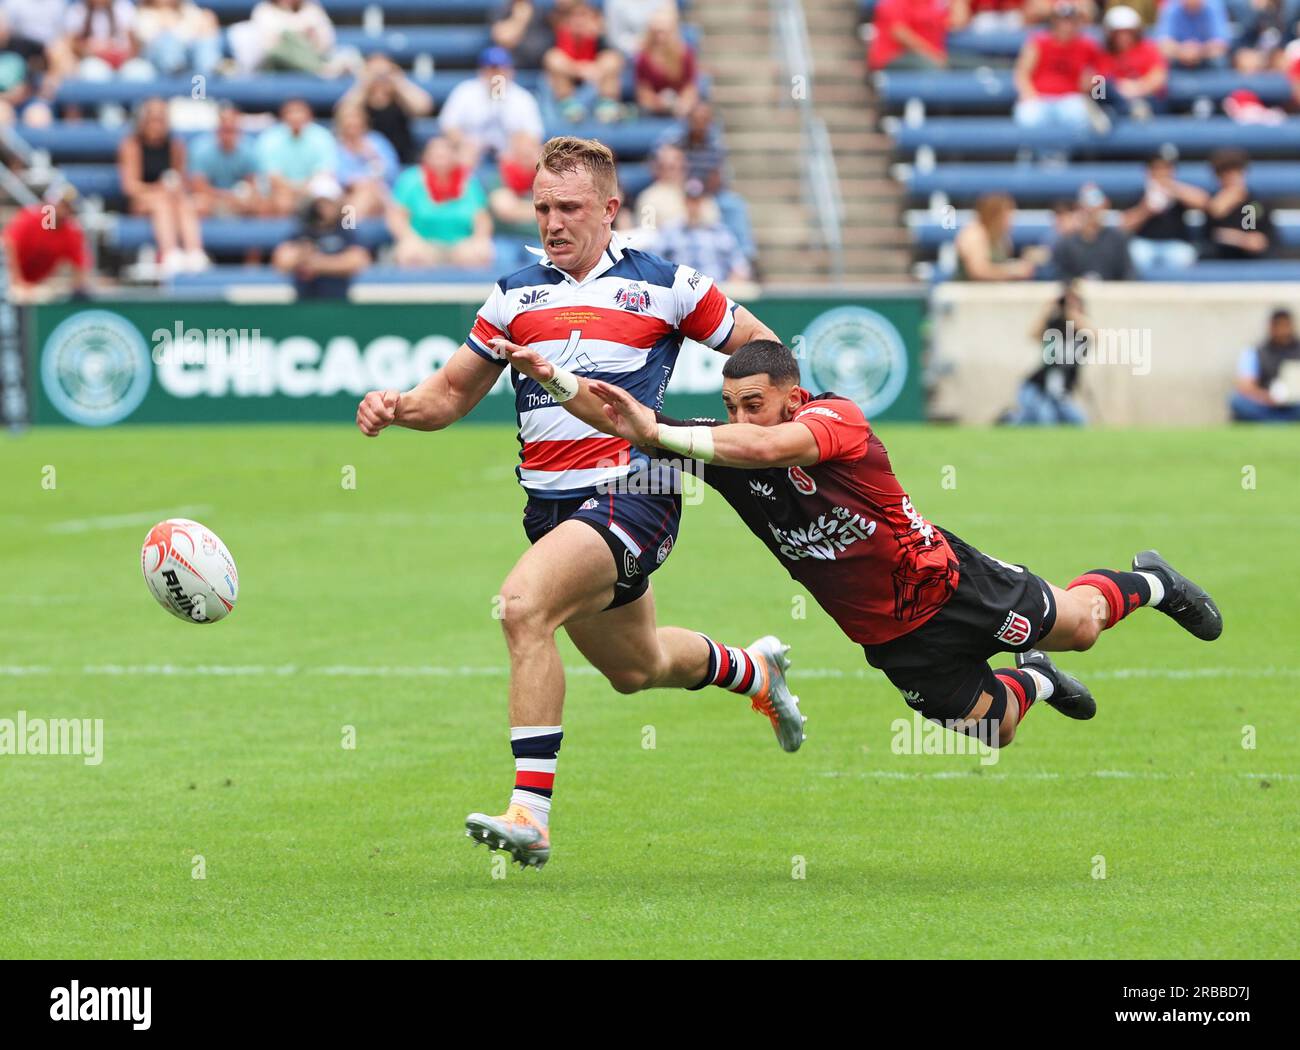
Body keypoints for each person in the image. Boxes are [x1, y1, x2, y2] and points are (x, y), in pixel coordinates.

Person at [355, 136, 789, 869]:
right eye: (541, 207)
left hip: (638, 487)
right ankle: (755, 670)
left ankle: (531, 813)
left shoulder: (667, 285)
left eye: (569, 208)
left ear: (610, 209)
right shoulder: (514, 295)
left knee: (523, 607)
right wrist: (399, 407)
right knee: (637, 667)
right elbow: (450, 395)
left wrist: (745, 433)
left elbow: (764, 350)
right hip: (552, 510)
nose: (552, 221)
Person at [513, 338, 1222, 766]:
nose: (738, 420)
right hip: (891, 641)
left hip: (952, 587)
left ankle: (1152, 583)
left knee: (1085, 629)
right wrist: (556, 381)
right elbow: (624, 418)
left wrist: (663, 433)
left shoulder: (836, 420)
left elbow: (759, 445)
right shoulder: (731, 447)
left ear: (792, 398)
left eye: (752, 404)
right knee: (994, 728)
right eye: (729, 407)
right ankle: (1035, 678)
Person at [118, 97, 207, 275]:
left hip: (171, 198)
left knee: (184, 202)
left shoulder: (175, 145)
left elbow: (181, 179)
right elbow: (130, 187)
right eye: (153, 118)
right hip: (141, 201)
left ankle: (194, 252)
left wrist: (175, 188)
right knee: (162, 202)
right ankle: (170, 252)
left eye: (161, 119)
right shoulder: (131, 145)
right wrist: (160, 188)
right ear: (143, 120)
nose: (157, 124)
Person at [386, 135, 494, 268]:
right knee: (410, 254)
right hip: (423, 243)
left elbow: (482, 219)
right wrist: (410, 239)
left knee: (480, 253)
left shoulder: (469, 181)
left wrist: (479, 240)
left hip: (461, 244)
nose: (441, 158)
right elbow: (396, 217)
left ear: (455, 156)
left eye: (445, 154)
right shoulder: (410, 179)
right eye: (436, 154)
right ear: (425, 156)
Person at [438, 46, 545, 165]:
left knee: (532, 153)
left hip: (510, 155)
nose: (497, 74)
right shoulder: (465, 91)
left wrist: (516, 147)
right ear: (482, 71)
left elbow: (534, 135)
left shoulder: (522, 98)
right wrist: (465, 142)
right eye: (492, 69)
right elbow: (448, 125)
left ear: (510, 71)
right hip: (471, 153)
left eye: (501, 69)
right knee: (451, 152)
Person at [271, 174, 371, 300]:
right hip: (304, 303)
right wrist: (302, 253)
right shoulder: (301, 229)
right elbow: (282, 261)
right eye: (320, 203)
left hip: (338, 301)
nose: (324, 208)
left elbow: (358, 260)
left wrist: (317, 263)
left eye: (328, 203)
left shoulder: (346, 229)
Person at [1004, 283, 1090, 425]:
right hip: (1037, 388)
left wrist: (1073, 314)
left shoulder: (1081, 332)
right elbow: (1033, 335)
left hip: (1060, 395)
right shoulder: (1054, 326)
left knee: (1078, 422)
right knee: (1045, 419)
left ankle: (1015, 418)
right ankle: (1010, 420)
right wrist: (1047, 309)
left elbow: (1094, 334)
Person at [1013, 2, 1104, 131]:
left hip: (1071, 99)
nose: (1066, 25)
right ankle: (1037, 151)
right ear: (1054, 21)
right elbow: (1022, 74)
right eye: (1062, 20)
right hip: (1039, 97)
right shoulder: (1038, 42)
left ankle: (1064, 151)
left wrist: (1094, 88)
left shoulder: (1088, 45)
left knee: (1078, 115)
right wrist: (1029, 94)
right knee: (1029, 116)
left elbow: (1101, 75)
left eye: (1071, 20)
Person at [337, 54, 433, 167]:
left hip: (403, 157)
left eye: (384, 73)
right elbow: (342, 112)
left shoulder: (400, 98)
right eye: (374, 72)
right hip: (367, 160)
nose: (379, 77)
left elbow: (424, 107)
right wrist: (365, 83)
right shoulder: (360, 100)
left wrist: (398, 80)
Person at [653, 178, 751, 282]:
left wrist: (732, 283)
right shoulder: (670, 231)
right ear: (684, 202)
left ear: (704, 202)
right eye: (690, 200)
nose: (694, 206)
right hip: (681, 293)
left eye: (697, 201)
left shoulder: (720, 232)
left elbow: (739, 266)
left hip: (716, 291)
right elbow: (655, 263)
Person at [1121, 152, 1207, 271]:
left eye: (1166, 169)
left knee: (1184, 256)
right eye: (1157, 169)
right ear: (1149, 172)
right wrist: (1146, 209)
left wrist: (1173, 189)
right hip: (1145, 244)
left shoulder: (1179, 194)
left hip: (1174, 244)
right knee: (1136, 255)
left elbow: (1204, 202)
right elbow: (1124, 226)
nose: (1162, 173)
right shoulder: (1140, 194)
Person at [2, 181, 90, 296]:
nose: (64, 210)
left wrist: (79, 289)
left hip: (32, 285)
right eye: (62, 205)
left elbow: (80, 266)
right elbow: (8, 245)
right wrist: (17, 281)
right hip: (7, 278)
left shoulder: (72, 232)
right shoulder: (30, 218)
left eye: (68, 206)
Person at [543, 0, 624, 123]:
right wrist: (578, 69)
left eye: (583, 16)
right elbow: (551, 59)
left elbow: (612, 59)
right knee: (553, 59)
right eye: (575, 17)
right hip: (569, 78)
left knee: (612, 59)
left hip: (594, 75)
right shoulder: (558, 35)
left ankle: (607, 105)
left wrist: (592, 68)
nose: (579, 21)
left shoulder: (597, 37)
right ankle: (569, 107)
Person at [256, 97, 338, 217]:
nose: (295, 116)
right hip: (281, 190)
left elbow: (324, 172)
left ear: (310, 116)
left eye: (299, 112)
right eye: (291, 112)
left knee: (327, 201)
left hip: (314, 189)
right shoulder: (269, 139)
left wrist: (305, 190)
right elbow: (272, 176)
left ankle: (331, 232)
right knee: (281, 202)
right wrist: (294, 191)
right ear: (282, 117)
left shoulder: (323, 137)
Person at [188, 104, 265, 218]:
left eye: (232, 130)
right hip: (212, 200)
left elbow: (253, 184)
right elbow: (198, 187)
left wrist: (242, 197)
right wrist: (227, 197)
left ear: (239, 131)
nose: (228, 136)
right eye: (225, 130)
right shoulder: (201, 149)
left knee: (261, 205)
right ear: (217, 130)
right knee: (198, 204)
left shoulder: (249, 150)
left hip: (239, 202)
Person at [953, 192, 1049, 279]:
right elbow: (978, 271)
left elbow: (1001, 264)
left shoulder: (1002, 237)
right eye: (1007, 216)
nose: (1010, 221)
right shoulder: (974, 233)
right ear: (994, 215)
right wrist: (1013, 271)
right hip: (966, 293)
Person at [1201, 147, 1274, 260]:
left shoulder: (1257, 202)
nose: (1231, 179)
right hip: (1220, 259)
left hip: (1253, 259)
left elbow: (1263, 240)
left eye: (1235, 172)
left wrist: (1244, 240)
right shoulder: (1211, 202)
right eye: (1225, 174)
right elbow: (1213, 236)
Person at [1096, 4, 1168, 119]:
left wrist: (1137, 88)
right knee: (1100, 90)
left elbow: (1158, 77)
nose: (1123, 37)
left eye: (1128, 32)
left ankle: (1135, 110)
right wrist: (1120, 88)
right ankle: (1126, 110)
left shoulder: (1148, 48)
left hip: (1145, 98)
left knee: (1158, 98)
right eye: (1118, 33)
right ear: (1110, 34)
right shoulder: (1103, 53)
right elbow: (1099, 83)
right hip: (1115, 99)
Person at [1229, 308, 1300, 422]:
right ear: (1271, 327)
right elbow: (1245, 386)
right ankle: (1280, 422)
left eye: (1285, 326)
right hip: (1266, 402)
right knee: (1237, 401)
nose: (1282, 331)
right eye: (1278, 326)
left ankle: (1274, 422)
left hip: (1295, 404)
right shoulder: (1255, 352)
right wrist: (1267, 397)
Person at [57, 0, 155, 81]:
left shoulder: (124, 7)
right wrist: (89, 48)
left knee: (141, 71)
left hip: (123, 62)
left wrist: (120, 52)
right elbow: (70, 44)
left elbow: (135, 44)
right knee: (91, 71)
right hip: (92, 61)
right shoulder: (77, 10)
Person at [1051, 183, 1134, 280]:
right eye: (1087, 207)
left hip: (1110, 293)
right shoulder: (1067, 243)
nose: (1092, 212)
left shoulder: (1117, 239)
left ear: (1105, 206)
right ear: (1079, 208)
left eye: (1095, 208)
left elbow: (1127, 274)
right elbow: (1060, 275)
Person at [333, 102, 397, 221]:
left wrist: (373, 156)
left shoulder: (377, 142)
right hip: (345, 194)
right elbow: (335, 174)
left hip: (378, 194)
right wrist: (355, 182)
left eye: (355, 118)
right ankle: (350, 228)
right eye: (348, 119)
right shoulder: (336, 147)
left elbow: (392, 172)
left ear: (364, 121)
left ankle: (349, 227)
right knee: (350, 200)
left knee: (366, 193)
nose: (352, 123)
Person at [633, 6, 698, 118]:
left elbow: (690, 87)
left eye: (664, 32)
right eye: (657, 32)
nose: (661, 37)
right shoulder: (644, 57)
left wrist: (683, 104)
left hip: (680, 106)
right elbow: (643, 90)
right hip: (653, 109)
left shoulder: (684, 54)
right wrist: (658, 103)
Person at [133, 0, 221, 78]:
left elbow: (203, 26)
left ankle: (211, 73)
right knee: (169, 41)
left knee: (205, 41)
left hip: (188, 54)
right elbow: (147, 38)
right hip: (157, 62)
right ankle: (176, 70)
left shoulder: (186, 8)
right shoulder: (144, 12)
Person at [868, 0, 960, 71]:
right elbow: (900, 33)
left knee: (967, 66)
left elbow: (956, 23)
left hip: (928, 55)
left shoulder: (932, 3)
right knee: (935, 69)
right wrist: (933, 54)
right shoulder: (894, 2)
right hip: (892, 57)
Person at [484, 131, 542, 239]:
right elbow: (506, 210)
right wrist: (544, 208)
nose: (525, 157)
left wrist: (518, 206)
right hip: (507, 237)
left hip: (538, 239)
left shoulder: (547, 178)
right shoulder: (501, 175)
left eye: (529, 153)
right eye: (520, 153)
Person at [1155, 0, 1231, 68]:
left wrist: (1199, 51)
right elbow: (1163, 45)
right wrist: (1182, 51)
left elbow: (1222, 45)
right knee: (1162, 61)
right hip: (1178, 58)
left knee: (1219, 61)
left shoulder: (1214, 6)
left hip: (1206, 59)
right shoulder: (1171, 6)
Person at [1230, 0, 1300, 73]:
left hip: (1279, 60)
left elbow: (1288, 47)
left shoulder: (1288, 17)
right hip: (1259, 59)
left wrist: (1275, 57)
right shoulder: (1255, 18)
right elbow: (1240, 46)